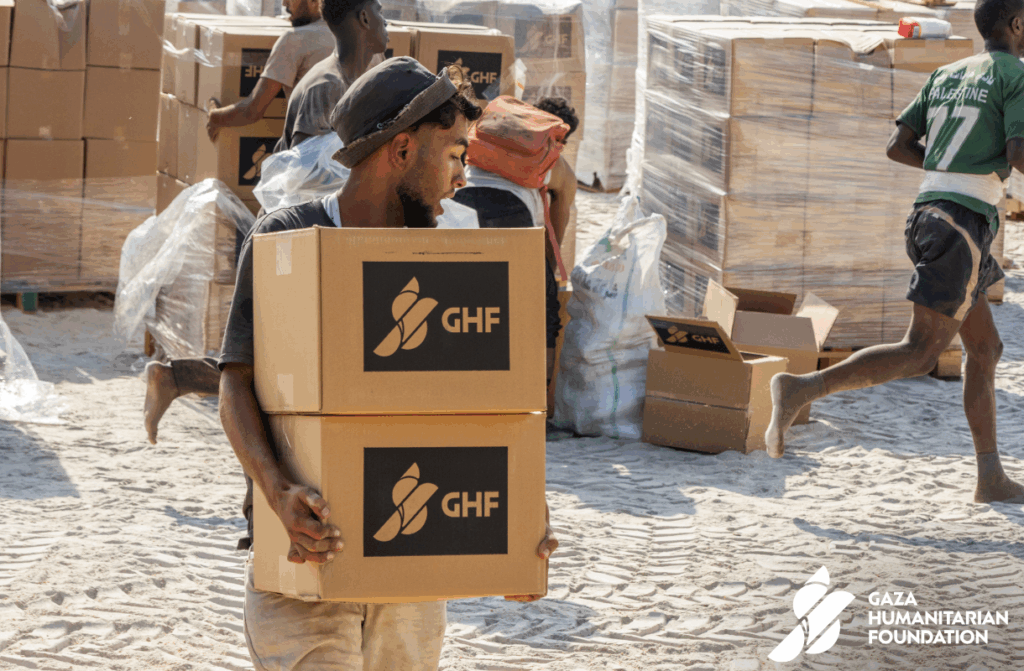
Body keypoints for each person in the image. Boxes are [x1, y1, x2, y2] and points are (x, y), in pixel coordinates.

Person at [217, 58, 558, 670]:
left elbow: (484, 407)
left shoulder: (449, 258)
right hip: (304, 568)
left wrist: (517, 525)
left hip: (410, 575)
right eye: (455, 155)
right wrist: (280, 492)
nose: (463, 177)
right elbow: (234, 383)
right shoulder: (287, 239)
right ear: (402, 149)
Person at [765, 0, 1024, 504]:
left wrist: (952, 167)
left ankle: (990, 478)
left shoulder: (948, 72)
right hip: (961, 226)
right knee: (921, 353)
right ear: (1016, 25)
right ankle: (799, 389)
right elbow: (1018, 154)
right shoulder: (1016, 74)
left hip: (932, 216)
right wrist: (972, 175)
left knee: (985, 348)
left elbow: (897, 146)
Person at [143, 0, 388, 445]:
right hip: (295, 241)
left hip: (323, 240)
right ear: (365, 20)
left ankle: (176, 378)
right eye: (380, 11)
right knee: (273, 362)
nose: (389, 21)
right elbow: (311, 180)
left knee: (278, 359)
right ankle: (178, 381)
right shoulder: (327, 85)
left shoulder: (353, 80)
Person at [452, 96, 579, 383]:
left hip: (459, 209)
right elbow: (554, 239)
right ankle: (535, 401)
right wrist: (543, 279)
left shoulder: (492, 143)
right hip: (512, 215)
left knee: (459, 302)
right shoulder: (556, 166)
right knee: (543, 317)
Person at [205, 0, 336, 141]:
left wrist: (214, 117)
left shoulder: (294, 39)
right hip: (347, 154)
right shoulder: (347, 35)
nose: (285, 4)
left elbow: (252, 111)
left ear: (314, 1)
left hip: (310, 153)